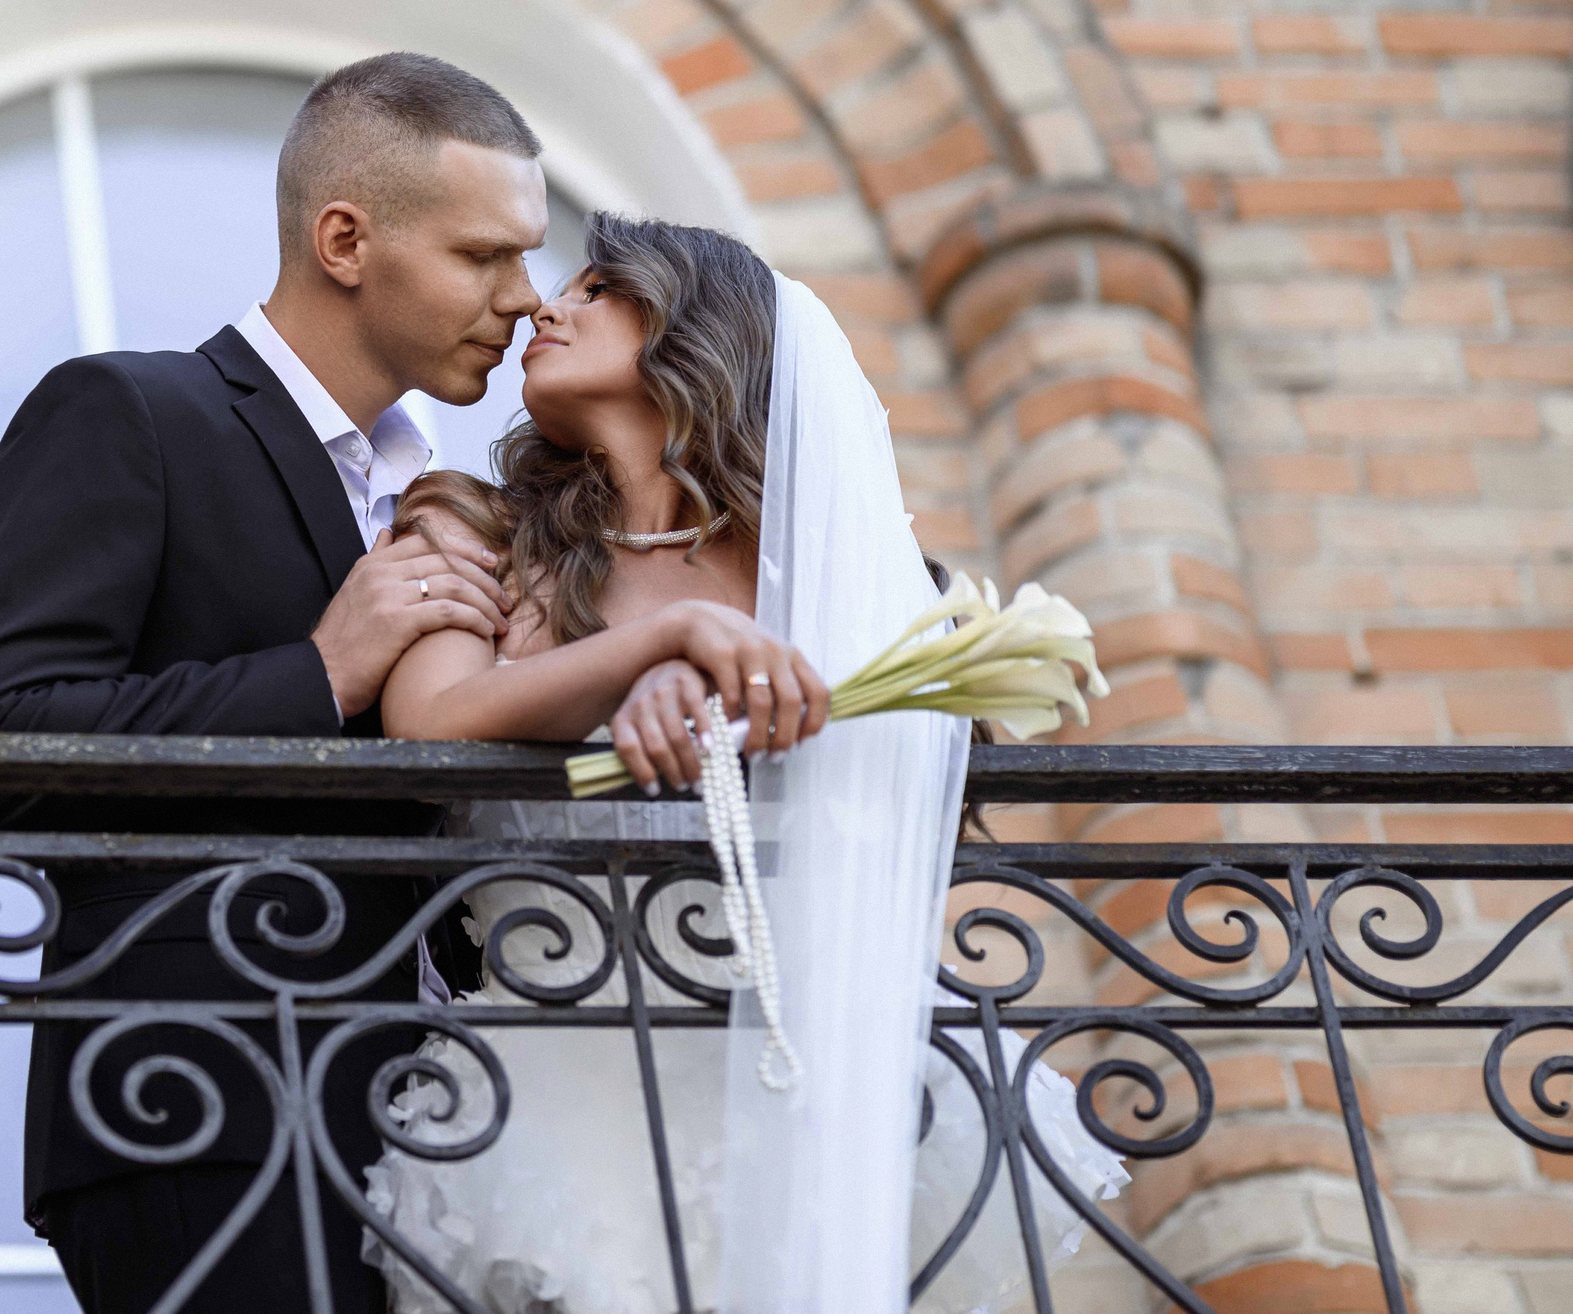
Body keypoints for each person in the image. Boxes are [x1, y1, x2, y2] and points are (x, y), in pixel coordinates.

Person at [356, 215, 1128, 1314]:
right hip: (565, 1079)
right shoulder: (472, 526)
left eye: (597, 288)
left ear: (696, 328)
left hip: (812, 1068)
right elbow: (432, 727)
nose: (543, 307)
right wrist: (656, 650)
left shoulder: (839, 578)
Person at [0, 51, 555, 1314]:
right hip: (209, 1111)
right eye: (483, 256)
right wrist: (319, 673)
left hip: (459, 1136)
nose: (524, 298)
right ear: (343, 240)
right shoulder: (132, 411)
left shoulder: (446, 500)